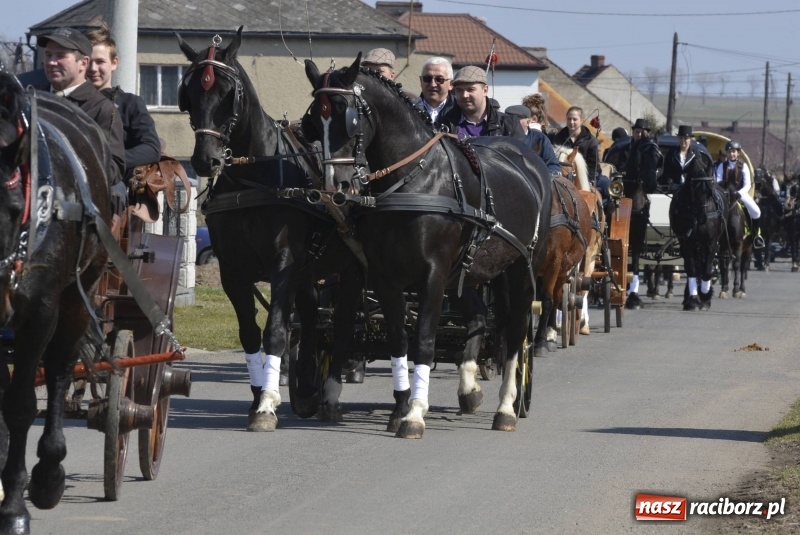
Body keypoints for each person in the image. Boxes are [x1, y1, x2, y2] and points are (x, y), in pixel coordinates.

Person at [38, 27, 125, 182]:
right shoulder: (32, 100)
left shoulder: (101, 109)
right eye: (48, 55)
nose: (51, 62)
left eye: (60, 56)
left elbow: (113, 168)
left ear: (83, 63)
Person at [85, 24, 161, 183]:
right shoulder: (68, 102)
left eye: (100, 62)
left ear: (114, 63)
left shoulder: (130, 104)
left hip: (115, 186)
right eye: (88, 61)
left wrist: (106, 160)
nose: (93, 68)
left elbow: (151, 148)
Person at [439, 66, 523, 140]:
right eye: (459, 90)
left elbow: (522, 156)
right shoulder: (444, 123)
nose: (464, 95)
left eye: (470, 89)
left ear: (485, 90)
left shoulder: (509, 125)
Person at [715, 140, 765, 248]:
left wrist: (738, 193)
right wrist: (724, 193)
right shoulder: (721, 166)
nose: (731, 154)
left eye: (734, 151)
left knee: (756, 212)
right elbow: (718, 181)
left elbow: (747, 185)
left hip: (740, 194)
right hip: (725, 195)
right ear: (727, 153)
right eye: (729, 152)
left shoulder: (744, 166)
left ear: (738, 153)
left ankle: (756, 236)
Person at [504, 104, 560, 176]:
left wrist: (542, 178)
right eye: (507, 119)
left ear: (528, 122)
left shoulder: (540, 139)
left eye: (516, 120)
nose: (510, 123)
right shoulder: (499, 138)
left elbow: (553, 165)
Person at [550, 106, 599, 185]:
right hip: (563, 175)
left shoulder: (591, 141)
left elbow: (593, 165)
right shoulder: (558, 137)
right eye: (569, 119)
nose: (571, 122)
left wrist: (589, 181)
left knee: (605, 184)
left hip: (586, 176)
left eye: (575, 119)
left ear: (582, 121)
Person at [661, 125, 709, 189]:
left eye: (685, 138)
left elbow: (698, 171)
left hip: (690, 189)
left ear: (690, 140)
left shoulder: (696, 154)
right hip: (674, 189)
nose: (683, 140)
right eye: (681, 138)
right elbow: (666, 171)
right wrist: (670, 182)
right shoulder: (672, 153)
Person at [413, 56, 457, 124]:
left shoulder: (460, 112)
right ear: (421, 81)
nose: (432, 84)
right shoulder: (409, 110)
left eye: (439, 79)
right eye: (427, 78)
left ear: (451, 84)